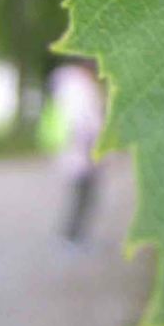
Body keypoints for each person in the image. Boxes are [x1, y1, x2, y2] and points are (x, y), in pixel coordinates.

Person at [48, 58, 105, 245]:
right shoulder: (79, 87)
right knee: (83, 195)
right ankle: (72, 236)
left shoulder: (70, 86)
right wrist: (92, 144)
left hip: (79, 149)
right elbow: (81, 120)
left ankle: (74, 235)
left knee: (82, 195)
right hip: (83, 149)